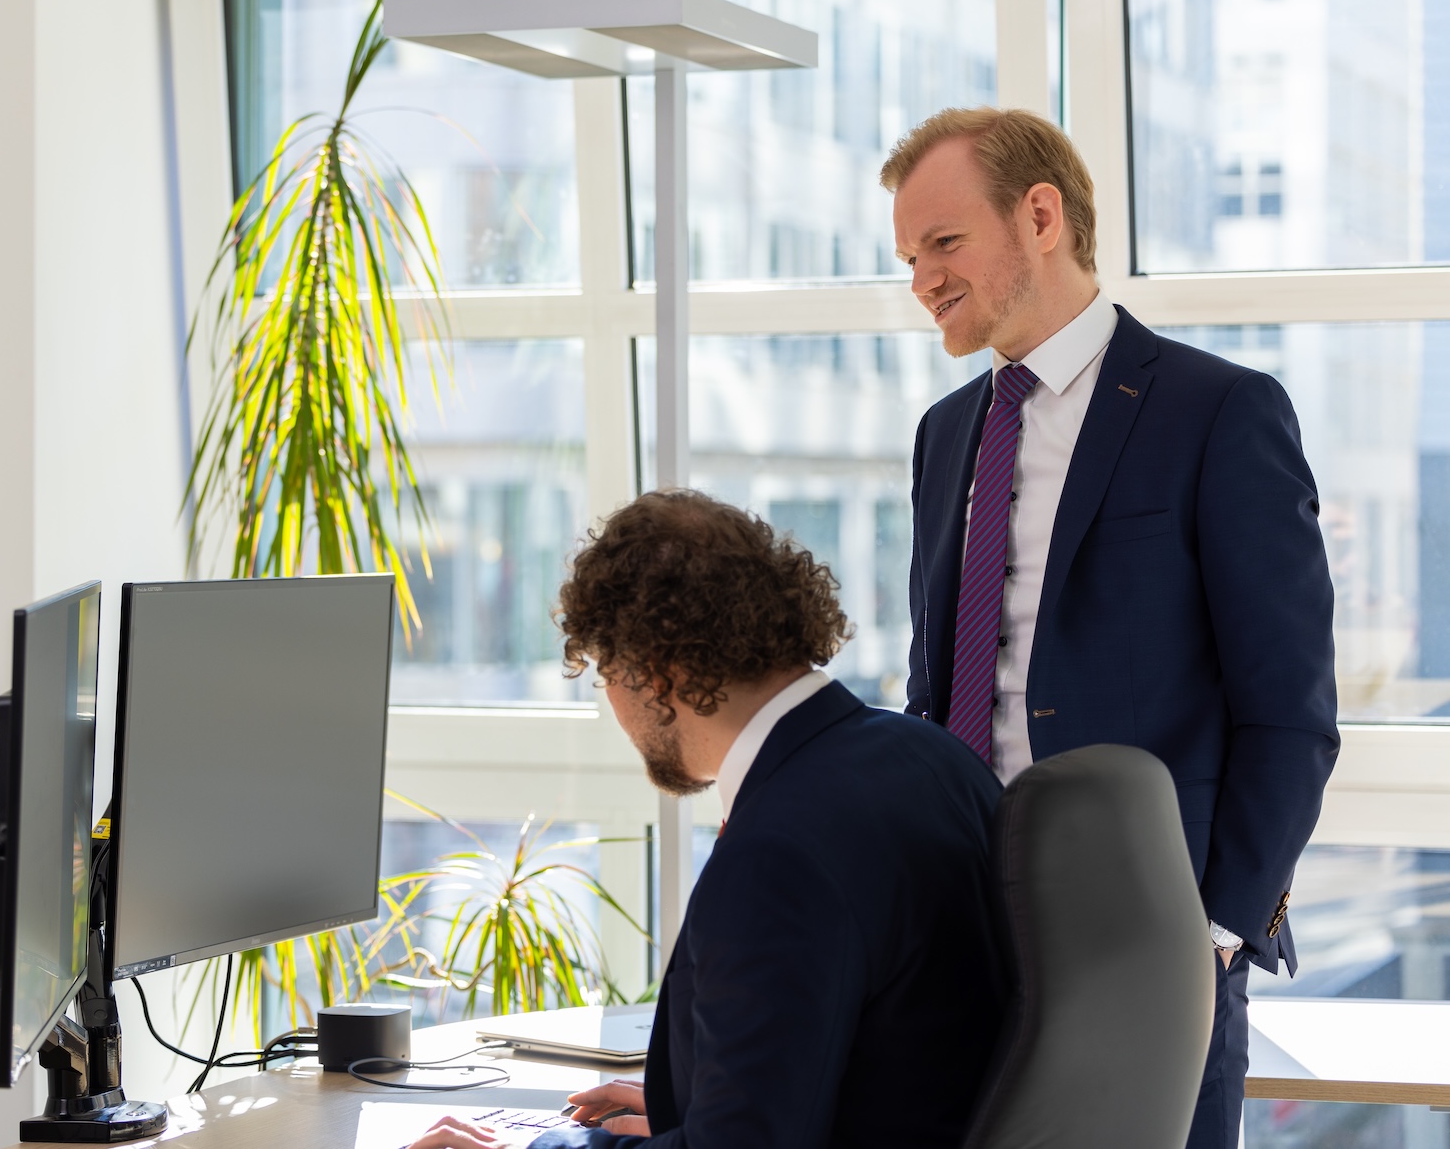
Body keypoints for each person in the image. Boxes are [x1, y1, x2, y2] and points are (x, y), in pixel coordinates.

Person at [887, 106, 1340, 1149]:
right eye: (909, 255)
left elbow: (1288, 713)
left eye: (943, 242)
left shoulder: (1217, 412)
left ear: (1037, 215)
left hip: (1149, 941)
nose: (920, 278)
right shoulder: (943, 432)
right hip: (959, 927)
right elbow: (934, 691)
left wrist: (1212, 931)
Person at [416, 489, 1008, 1149]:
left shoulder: (776, 855)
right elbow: (897, 1057)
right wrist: (702, 1099)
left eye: (605, 671)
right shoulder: (935, 759)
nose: (611, 700)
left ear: (657, 673)